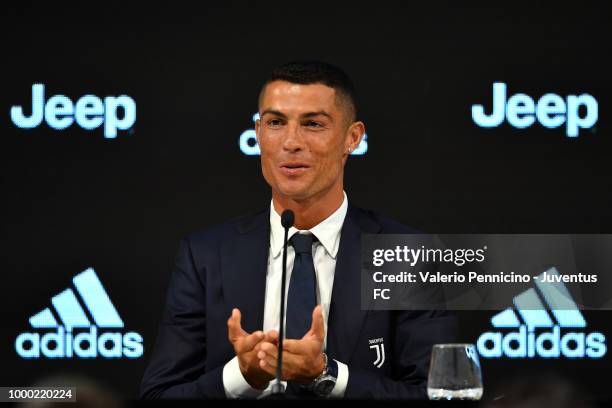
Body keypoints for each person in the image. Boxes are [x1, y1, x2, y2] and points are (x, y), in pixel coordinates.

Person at [140, 61, 457, 399]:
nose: (291, 141)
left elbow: (441, 395)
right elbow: (158, 395)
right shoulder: (205, 254)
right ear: (259, 133)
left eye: (313, 124)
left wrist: (328, 375)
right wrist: (242, 375)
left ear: (353, 138)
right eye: (276, 122)